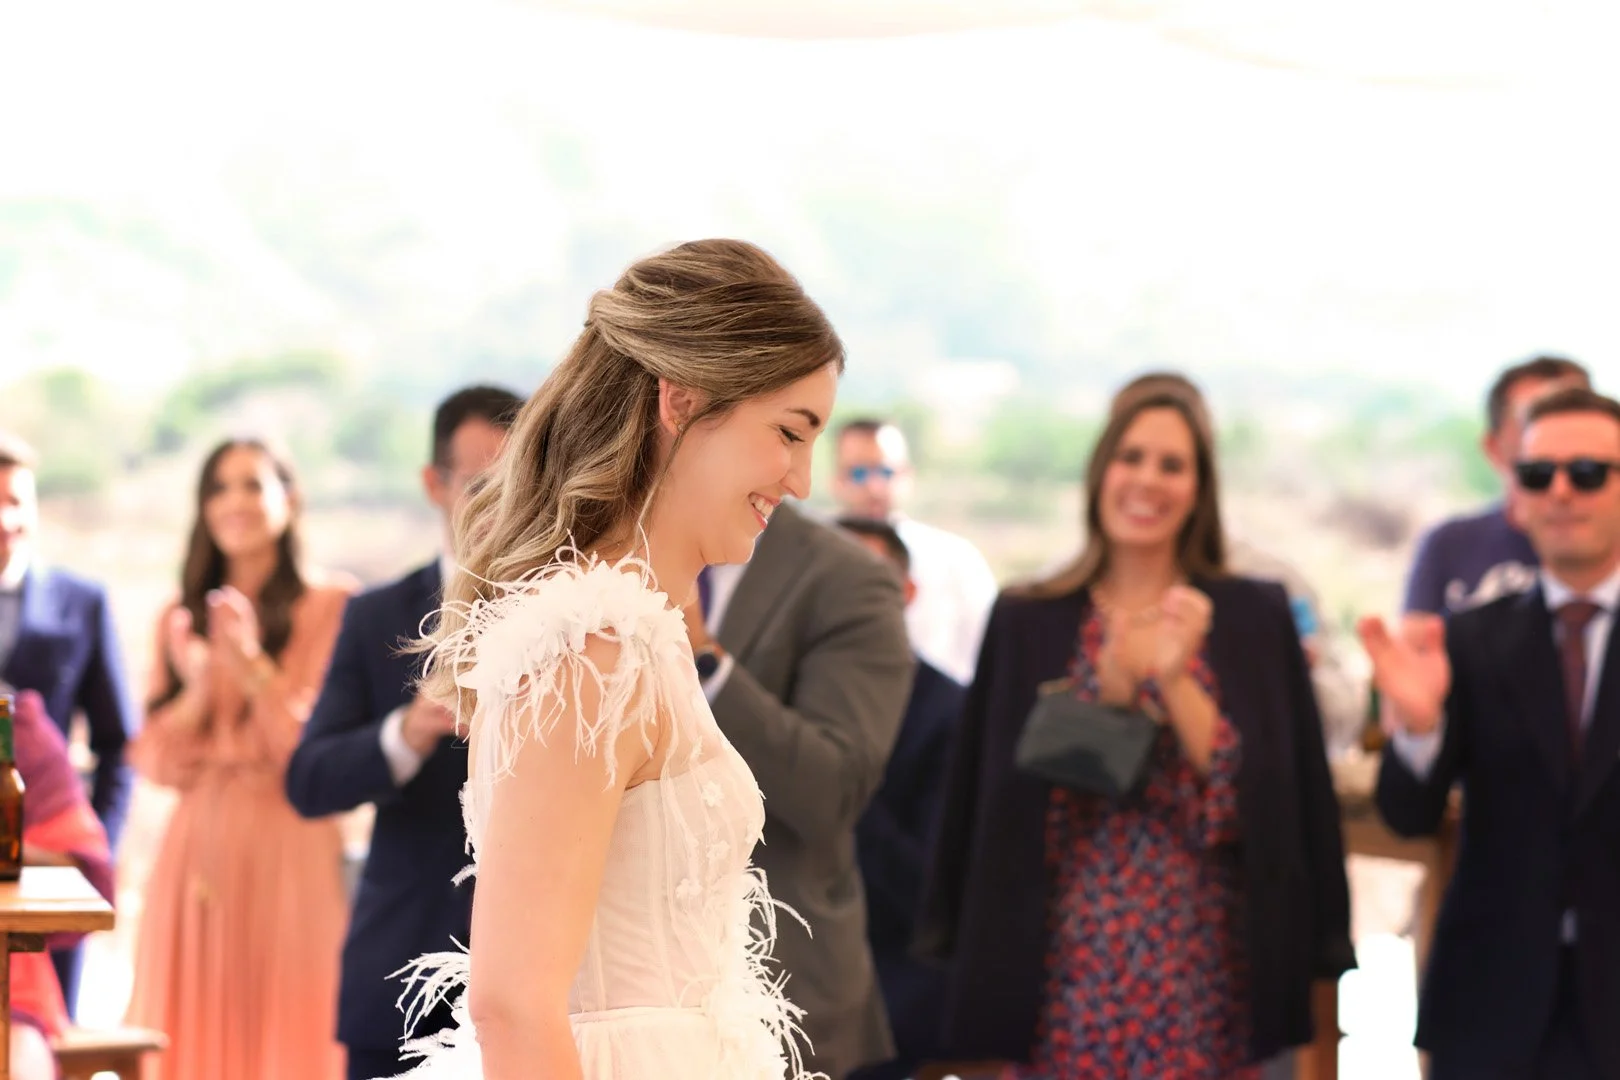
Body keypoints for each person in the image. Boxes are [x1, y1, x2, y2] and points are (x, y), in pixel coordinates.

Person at [387, 239, 846, 1080]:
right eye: (789, 432)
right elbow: (512, 1005)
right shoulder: (590, 657)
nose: (803, 480)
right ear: (681, 399)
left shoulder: (637, 641)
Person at [918, 385, 1354, 1079]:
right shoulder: (1030, 617)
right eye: (1132, 457)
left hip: (1212, 955)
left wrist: (1177, 681)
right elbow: (1014, 810)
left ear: (1200, 487)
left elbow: (1265, 805)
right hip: (1067, 957)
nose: (1148, 480)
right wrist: (1114, 690)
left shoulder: (1251, 616)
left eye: (1172, 465)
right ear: (1101, 471)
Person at [1366, 386, 1620, 1079]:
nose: (1562, 492)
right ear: (1516, 493)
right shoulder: (1472, 640)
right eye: (1539, 474)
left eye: (1590, 473)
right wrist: (1419, 729)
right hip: (1492, 1007)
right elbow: (1405, 814)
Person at [287, 386, 522, 1080]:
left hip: (544, 985)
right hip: (402, 974)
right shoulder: (375, 616)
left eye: (521, 483)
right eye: (482, 485)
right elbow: (309, 781)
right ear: (434, 484)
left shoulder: (576, 617)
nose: (503, 505)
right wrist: (407, 734)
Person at [123, 439, 356, 1080]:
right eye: (219, 488)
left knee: (293, 1029)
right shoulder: (178, 617)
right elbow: (156, 763)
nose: (234, 502)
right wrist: (198, 691)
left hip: (292, 849)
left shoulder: (334, 606)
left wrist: (252, 666)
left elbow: (316, 750)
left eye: (252, 484)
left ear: (290, 498)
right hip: (194, 853)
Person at [679, 500, 913, 1080]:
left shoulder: (848, 578)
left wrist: (705, 662)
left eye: (801, 433)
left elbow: (834, 790)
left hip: (777, 978)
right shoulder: (597, 548)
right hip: (616, 973)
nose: (800, 475)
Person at [0, 430, 138, 1011]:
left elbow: (117, 744)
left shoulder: (82, 601)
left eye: (15, 501)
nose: (4, 519)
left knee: (47, 1040)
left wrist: (92, 851)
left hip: (48, 875)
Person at [834, 518, 965, 1080]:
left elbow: (934, 889)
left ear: (907, 594)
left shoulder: (950, 711)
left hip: (895, 981)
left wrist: (838, 783)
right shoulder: (768, 696)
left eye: (870, 581)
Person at [1404, 356, 1589, 616]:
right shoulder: (1449, 544)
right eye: (1533, 418)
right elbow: (1418, 642)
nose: (1556, 433)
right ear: (1494, 447)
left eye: (1576, 415)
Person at [4, 683, 116, 1080]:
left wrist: (13, 849)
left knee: (19, 1063)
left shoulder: (17, 730)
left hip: (10, 987)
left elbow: (90, 878)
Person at [832, 418, 997, 685]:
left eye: (886, 472)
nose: (874, 487)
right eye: (859, 473)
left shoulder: (958, 559)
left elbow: (988, 654)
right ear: (837, 480)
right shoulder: (811, 555)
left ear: (907, 475)